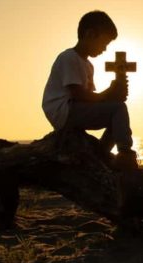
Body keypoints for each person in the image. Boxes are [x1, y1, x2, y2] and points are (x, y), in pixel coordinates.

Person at [42, 10, 137, 170]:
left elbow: (92, 99)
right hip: (64, 110)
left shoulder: (88, 65)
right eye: (104, 43)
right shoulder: (69, 57)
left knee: (116, 109)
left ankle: (101, 153)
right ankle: (124, 152)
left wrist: (114, 94)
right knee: (118, 109)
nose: (104, 49)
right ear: (90, 34)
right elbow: (78, 94)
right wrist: (108, 93)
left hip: (74, 108)